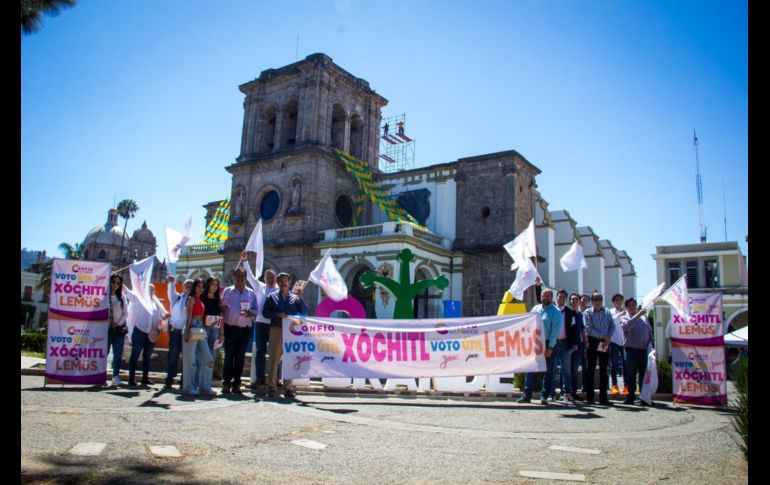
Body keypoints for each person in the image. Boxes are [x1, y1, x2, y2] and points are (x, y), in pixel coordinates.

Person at [263, 272, 309, 399]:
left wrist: (301, 298)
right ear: (278, 283)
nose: (284, 283)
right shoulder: (271, 297)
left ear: (289, 283)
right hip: (276, 330)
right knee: (274, 360)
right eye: (281, 281)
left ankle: (289, 387)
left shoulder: (295, 298)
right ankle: (272, 387)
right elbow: (265, 312)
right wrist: (277, 314)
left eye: (286, 281)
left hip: (291, 332)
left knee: (290, 360)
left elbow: (304, 311)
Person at [517, 287, 561, 405]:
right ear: (541, 297)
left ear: (551, 298)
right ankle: (526, 395)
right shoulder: (535, 308)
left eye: (547, 296)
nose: (545, 298)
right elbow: (528, 323)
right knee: (530, 369)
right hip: (536, 343)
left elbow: (555, 332)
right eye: (543, 295)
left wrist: (550, 347)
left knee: (548, 372)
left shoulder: (556, 312)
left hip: (548, 344)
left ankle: (544, 396)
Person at [243, 252, 278, 389]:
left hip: (275, 325)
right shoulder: (259, 287)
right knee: (260, 352)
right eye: (268, 277)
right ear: (264, 278)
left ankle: (274, 379)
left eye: (272, 277)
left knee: (275, 353)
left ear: (275, 279)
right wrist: (245, 261)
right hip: (260, 323)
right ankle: (260, 378)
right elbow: (250, 276)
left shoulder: (279, 290)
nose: (270, 279)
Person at [221, 268, 258, 394]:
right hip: (230, 328)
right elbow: (222, 309)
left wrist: (251, 313)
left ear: (246, 277)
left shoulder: (251, 293)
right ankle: (226, 383)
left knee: (240, 358)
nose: (240, 278)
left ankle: (236, 383)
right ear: (234, 277)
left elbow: (256, 310)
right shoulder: (227, 291)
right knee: (229, 357)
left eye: (242, 276)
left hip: (244, 330)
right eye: (238, 276)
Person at [123, 283, 169, 387]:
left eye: (152, 290)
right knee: (135, 356)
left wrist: (164, 318)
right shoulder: (138, 299)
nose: (150, 291)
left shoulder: (157, 304)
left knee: (147, 357)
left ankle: (145, 378)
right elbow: (127, 292)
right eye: (148, 289)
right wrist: (118, 280)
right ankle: (131, 378)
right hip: (140, 332)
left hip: (151, 334)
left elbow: (161, 319)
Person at [182, 279, 216, 396]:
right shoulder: (191, 299)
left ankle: (204, 387)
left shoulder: (200, 300)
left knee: (208, 358)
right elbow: (189, 316)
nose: (200, 289)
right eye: (198, 287)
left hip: (200, 328)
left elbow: (201, 318)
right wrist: (186, 331)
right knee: (190, 360)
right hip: (192, 328)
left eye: (202, 287)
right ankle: (188, 387)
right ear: (194, 287)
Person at [618, 298, 653, 405]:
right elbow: (626, 327)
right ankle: (631, 396)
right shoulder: (624, 318)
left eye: (633, 305)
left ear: (636, 306)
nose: (631, 307)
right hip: (631, 351)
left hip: (643, 351)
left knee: (643, 374)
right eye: (629, 306)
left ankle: (644, 397)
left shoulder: (644, 318)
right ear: (626, 308)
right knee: (631, 374)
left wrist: (652, 346)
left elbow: (650, 332)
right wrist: (637, 316)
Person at [584, 292, 615, 405]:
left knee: (604, 370)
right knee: (590, 370)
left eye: (600, 299)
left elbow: (612, 326)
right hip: (593, 342)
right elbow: (589, 329)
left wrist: (608, 337)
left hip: (604, 343)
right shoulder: (588, 312)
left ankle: (603, 398)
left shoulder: (607, 311)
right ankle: (590, 398)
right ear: (592, 301)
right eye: (595, 299)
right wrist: (603, 336)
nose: (598, 301)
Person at [165, 277, 193, 390]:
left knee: (186, 357)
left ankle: (184, 380)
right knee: (173, 356)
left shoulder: (193, 300)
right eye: (187, 285)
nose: (188, 286)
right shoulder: (176, 297)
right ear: (183, 287)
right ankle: (169, 379)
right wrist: (171, 282)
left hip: (188, 332)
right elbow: (170, 291)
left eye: (191, 285)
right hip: (176, 331)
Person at [552, 289, 577, 402]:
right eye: (559, 296)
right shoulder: (551, 309)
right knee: (552, 369)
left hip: (565, 344)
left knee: (566, 370)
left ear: (565, 299)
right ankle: (551, 392)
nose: (561, 298)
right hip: (553, 344)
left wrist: (574, 343)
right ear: (556, 297)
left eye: (563, 297)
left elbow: (573, 328)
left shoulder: (570, 311)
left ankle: (567, 392)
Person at [107, 274, 129, 386]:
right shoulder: (103, 295)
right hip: (106, 329)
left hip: (118, 329)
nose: (115, 285)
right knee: (104, 352)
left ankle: (115, 376)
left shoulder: (121, 296)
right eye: (113, 282)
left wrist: (118, 323)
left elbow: (126, 313)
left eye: (118, 283)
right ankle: (101, 374)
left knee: (118, 354)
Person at [568, 293, 587, 401]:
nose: (574, 301)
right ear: (570, 301)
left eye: (576, 299)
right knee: (566, 370)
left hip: (579, 347)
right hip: (568, 346)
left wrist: (585, 344)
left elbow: (583, 330)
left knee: (575, 370)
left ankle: (573, 392)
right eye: (572, 299)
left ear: (579, 301)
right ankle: (565, 392)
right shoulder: (567, 313)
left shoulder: (581, 315)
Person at [608, 293, 628, 395]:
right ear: (613, 302)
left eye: (620, 299)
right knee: (614, 364)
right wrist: (619, 315)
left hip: (625, 341)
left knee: (626, 364)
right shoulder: (610, 312)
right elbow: (610, 322)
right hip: (614, 341)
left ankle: (626, 385)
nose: (618, 301)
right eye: (616, 300)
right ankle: (614, 385)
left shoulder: (627, 311)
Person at [201, 277, 225, 354]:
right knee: (204, 354)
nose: (214, 286)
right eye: (212, 284)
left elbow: (221, 315)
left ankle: (211, 367)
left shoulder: (218, 299)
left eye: (216, 285)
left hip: (216, 329)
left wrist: (222, 333)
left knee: (213, 354)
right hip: (204, 328)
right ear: (208, 284)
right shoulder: (202, 297)